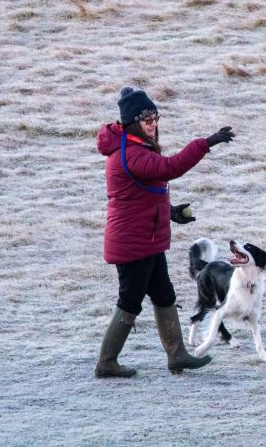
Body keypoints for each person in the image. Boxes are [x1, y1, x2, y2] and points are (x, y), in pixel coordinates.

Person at [94, 86, 235, 378]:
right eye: (146, 118)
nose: (153, 122)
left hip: (145, 240)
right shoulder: (131, 154)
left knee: (164, 294)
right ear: (132, 121)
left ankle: (177, 355)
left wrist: (169, 213)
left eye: (155, 117)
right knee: (130, 301)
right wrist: (206, 143)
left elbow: (139, 197)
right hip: (133, 245)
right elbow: (169, 167)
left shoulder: (134, 148)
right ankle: (107, 362)